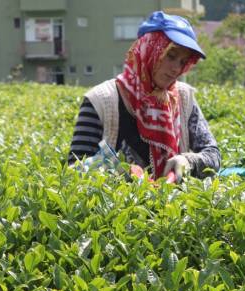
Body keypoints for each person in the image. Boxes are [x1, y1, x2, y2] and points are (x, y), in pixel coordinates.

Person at [67, 11, 220, 182]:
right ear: (150, 49)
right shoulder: (101, 100)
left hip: (171, 206)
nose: (176, 68)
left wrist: (188, 161)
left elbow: (213, 154)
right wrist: (115, 170)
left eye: (183, 62)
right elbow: (74, 168)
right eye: (171, 56)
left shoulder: (184, 99)